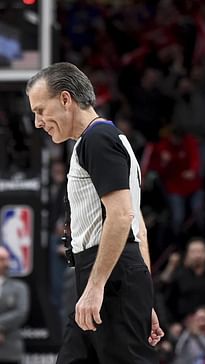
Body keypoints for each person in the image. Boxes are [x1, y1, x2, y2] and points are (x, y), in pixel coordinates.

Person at [26, 62, 164, 363]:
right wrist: (144, 298)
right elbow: (136, 221)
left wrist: (97, 286)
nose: (38, 122)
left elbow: (122, 217)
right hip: (113, 274)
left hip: (109, 276)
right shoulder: (105, 139)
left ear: (65, 99)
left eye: (40, 110)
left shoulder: (97, 140)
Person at [0, 246, 30, 364]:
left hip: (10, 348)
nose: (6, 263)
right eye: (2, 259)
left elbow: (21, 312)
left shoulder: (19, 287)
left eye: (7, 259)